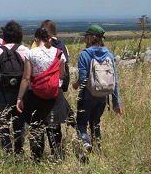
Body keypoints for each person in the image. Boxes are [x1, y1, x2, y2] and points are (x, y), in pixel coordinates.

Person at [16, 28, 66, 161]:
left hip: (35, 95)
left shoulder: (31, 54)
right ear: (49, 38)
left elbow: (26, 78)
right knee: (54, 127)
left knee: (36, 127)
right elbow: (61, 75)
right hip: (55, 95)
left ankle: (37, 157)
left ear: (36, 39)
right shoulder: (59, 53)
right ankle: (58, 156)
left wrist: (20, 97)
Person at [72, 25, 121, 154]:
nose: (84, 40)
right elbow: (115, 80)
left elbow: (83, 78)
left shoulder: (84, 55)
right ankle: (97, 149)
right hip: (103, 96)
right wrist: (116, 103)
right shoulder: (109, 55)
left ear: (92, 38)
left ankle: (85, 144)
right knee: (96, 122)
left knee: (81, 123)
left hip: (87, 95)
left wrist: (75, 85)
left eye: (86, 37)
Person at [0, 20, 28, 155]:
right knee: (19, 125)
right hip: (20, 94)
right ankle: (19, 152)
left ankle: (7, 153)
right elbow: (28, 76)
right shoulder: (26, 51)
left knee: (2, 124)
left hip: (2, 94)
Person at [39, 19, 75, 159]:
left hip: (41, 88)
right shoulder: (62, 46)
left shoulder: (37, 43)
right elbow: (65, 65)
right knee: (54, 124)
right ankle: (58, 154)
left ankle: (38, 155)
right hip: (57, 88)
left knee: (41, 122)